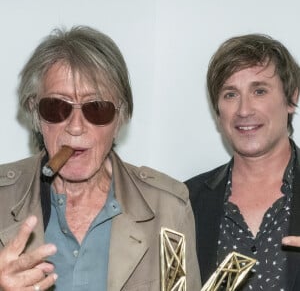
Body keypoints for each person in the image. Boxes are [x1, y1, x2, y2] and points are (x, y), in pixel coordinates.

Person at [0, 26, 201, 291]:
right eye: (57, 107)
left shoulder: (167, 208)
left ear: (120, 118)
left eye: (96, 109)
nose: (75, 126)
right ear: (36, 114)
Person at [186, 34, 300, 290]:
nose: (244, 110)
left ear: (291, 98)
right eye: (230, 94)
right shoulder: (186, 201)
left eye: (259, 91)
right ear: (218, 111)